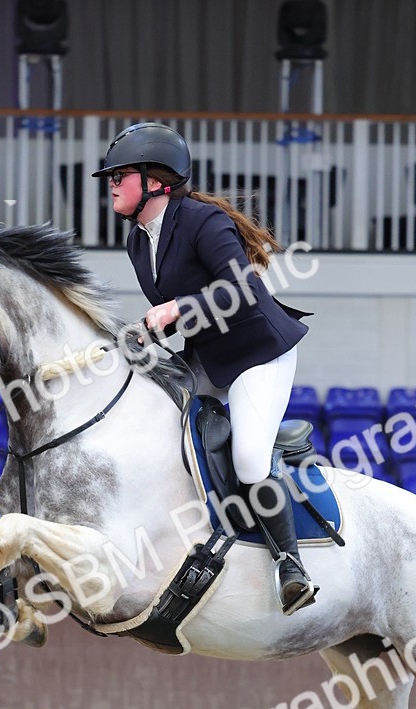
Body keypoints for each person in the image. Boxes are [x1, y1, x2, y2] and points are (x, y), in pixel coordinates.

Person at [92, 122, 317, 615]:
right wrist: (149, 331)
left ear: (156, 181)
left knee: (251, 459)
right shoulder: (138, 241)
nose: (111, 183)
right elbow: (183, 313)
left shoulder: (201, 221)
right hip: (208, 355)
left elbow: (243, 290)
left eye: (121, 175)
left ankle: (291, 566)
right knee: (156, 433)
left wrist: (175, 309)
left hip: (258, 354)